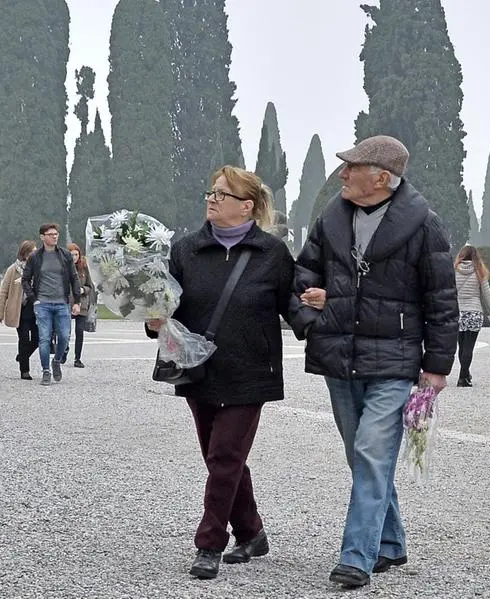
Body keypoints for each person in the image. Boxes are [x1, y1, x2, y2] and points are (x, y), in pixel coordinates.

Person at [289, 135, 458, 588]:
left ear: (381, 178)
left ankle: (356, 557)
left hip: (395, 362)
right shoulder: (332, 218)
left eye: (351, 167)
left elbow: (441, 301)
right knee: (363, 457)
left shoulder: (424, 225)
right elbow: (303, 273)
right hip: (339, 357)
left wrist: (438, 367)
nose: (341, 174)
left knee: (370, 453)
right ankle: (390, 543)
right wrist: (309, 317)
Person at [146, 166, 294, 580]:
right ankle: (251, 532)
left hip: (251, 372)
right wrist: (154, 319)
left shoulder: (272, 253)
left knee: (225, 455)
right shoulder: (186, 249)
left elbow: (291, 306)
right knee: (221, 459)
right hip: (199, 370)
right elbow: (166, 305)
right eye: (210, 192)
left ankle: (209, 542)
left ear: (246, 206)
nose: (211, 199)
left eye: (221, 194)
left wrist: (321, 314)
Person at [21, 223, 82, 386]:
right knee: (44, 338)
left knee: (64, 336)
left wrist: (77, 301)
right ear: (42, 237)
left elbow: (74, 278)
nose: (54, 236)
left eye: (56, 234)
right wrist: (34, 299)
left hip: (62, 302)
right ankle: (46, 370)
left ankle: (56, 361)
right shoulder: (35, 257)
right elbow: (25, 280)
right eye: (50, 234)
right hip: (43, 304)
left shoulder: (65, 255)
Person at [0, 240, 40, 379]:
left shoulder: (39, 268)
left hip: (36, 309)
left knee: (38, 339)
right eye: (32, 251)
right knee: (24, 339)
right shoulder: (12, 270)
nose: (35, 254)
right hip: (20, 310)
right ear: (24, 254)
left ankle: (22, 356)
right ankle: (24, 370)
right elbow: (3, 292)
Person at [454, 245, 490, 387]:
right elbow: (487, 295)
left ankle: (465, 374)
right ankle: (463, 376)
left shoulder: (454, 270)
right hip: (474, 312)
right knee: (469, 347)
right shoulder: (480, 271)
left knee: (461, 346)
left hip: (458, 313)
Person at [61, 242, 94, 368]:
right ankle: (64, 350)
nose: (74, 257)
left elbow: (90, 286)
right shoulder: (63, 268)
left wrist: (83, 290)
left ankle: (77, 358)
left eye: (76, 254)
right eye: (71, 254)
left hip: (82, 303)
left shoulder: (84, 268)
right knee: (65, 331)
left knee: (79, 331)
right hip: (67, 302)